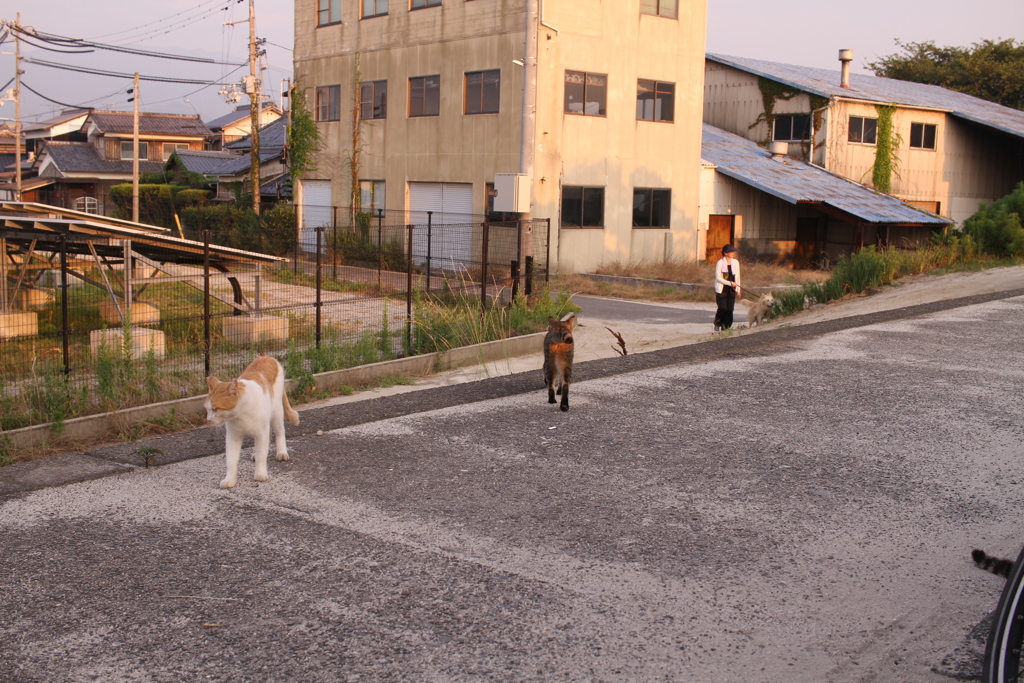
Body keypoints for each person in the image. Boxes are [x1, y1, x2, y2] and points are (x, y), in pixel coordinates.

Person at [713, 244, 741, 331]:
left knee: (730, 309)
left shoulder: (736, 262)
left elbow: (737, 277)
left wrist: (738, 290)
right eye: (731, 251)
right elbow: (718, 278)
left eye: (733, 251)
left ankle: (726, 327)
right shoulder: (720, 263)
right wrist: (730, 283)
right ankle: (718, 322)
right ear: (725, 253)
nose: (733, 253)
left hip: (732, 289)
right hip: (722, 289)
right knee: (722, 308)